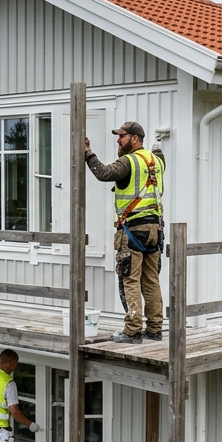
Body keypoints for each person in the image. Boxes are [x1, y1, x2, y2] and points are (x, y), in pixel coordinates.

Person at [85, 121, 166, 344]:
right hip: (154, 230)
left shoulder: (128, 161)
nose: (118, 140)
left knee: (130, 279)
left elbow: (103, 173)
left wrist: (88, 154)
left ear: (135, 139)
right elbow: (161, 158)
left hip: (132, 231)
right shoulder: (155, 162)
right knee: (151, 281)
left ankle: (132, 331)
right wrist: (157, 146)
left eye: (122, 136)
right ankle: (155, 329)